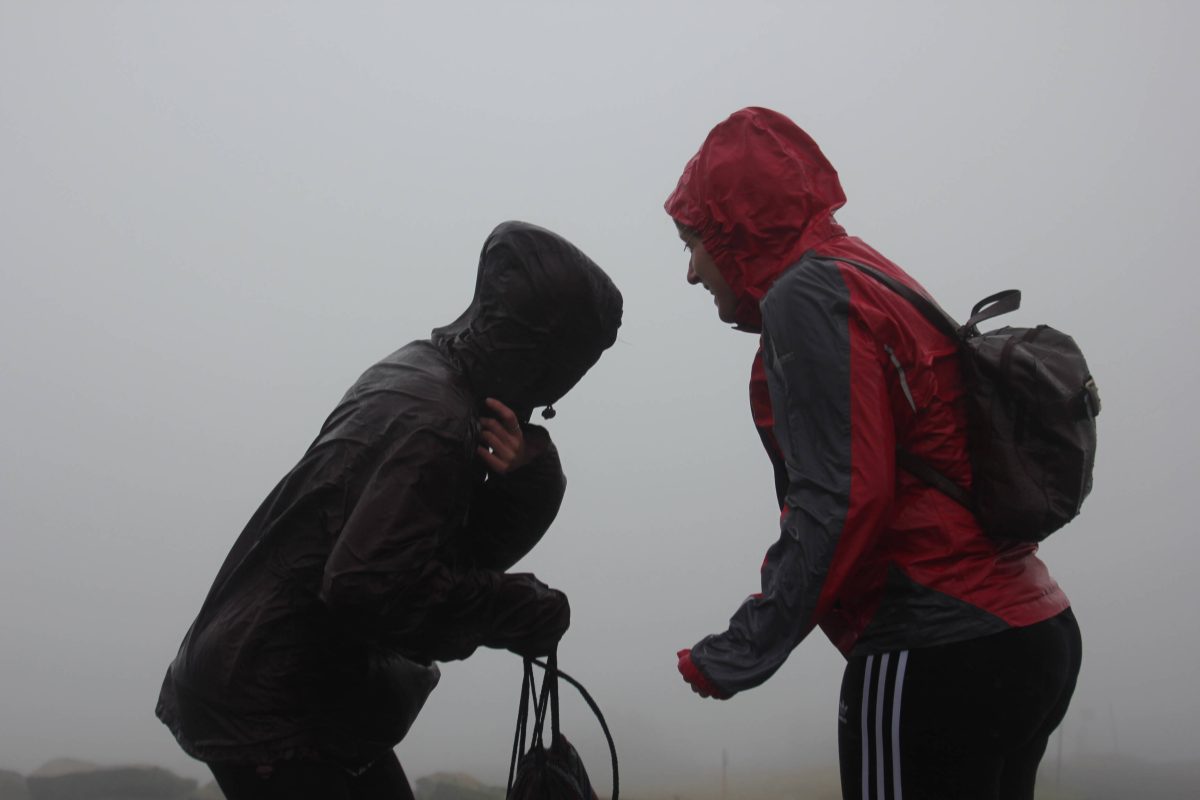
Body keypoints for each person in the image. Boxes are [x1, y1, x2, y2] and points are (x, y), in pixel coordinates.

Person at [664, 107, 1081, 799]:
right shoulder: (858, 269)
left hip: (937, 643)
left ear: (734, 231)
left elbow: (843, 496)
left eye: (693, 242)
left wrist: (744, 647)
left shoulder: (806, 294)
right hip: (1028, 625)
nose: (691, 272)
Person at [156, 221, 623, 800]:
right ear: (540, 353)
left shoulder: (423, 372)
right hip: (277, 701)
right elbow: (369, 587)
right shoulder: (436, 421)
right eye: (567, 370)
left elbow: (455, 548)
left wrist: (530, 470)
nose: (558, 394)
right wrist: (516, 608)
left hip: (288, 680)